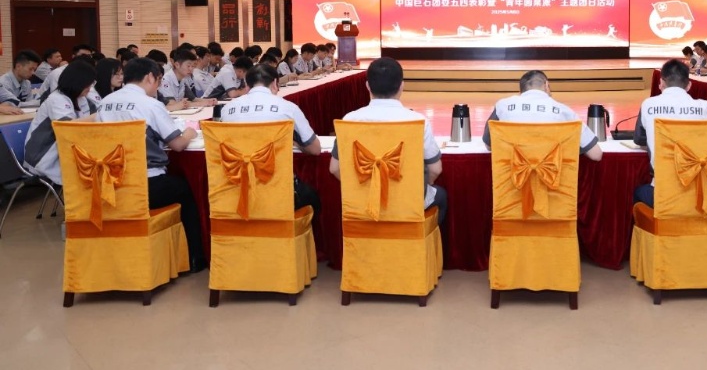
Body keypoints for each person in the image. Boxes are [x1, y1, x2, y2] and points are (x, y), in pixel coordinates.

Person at [95, 58, 206, 271]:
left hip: (111, 184)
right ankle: (194, 257)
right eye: (158, 80)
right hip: (147, 186)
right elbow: (177, 145)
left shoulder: (105, 103)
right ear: (149, 77)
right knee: (188, 189)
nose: (158, 86)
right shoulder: (150, 104)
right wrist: (189, 133)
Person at [329, 58, 448, 224]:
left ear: (368, 86)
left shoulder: (349, 120)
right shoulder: (418, 121)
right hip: (408, 203)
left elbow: (334, 168)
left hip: (363, 204)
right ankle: (417, 239)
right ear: (401, 86)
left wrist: (364, 188)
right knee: (440, 195)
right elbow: (435, 169)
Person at [219, 64, 322, 214]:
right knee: (313, 198)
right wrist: (296, 143)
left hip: (236, 185)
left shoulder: (227, 109)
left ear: (247, 84)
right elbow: (315, 149)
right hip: (277, 188)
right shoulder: (288, 108)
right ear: (275, 83)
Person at [632, 60, 707, 207]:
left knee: (638, 192)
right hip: (700, 194)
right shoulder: (704, 107)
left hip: (664, 193)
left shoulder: (648, 104)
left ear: (661, 82)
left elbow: (639, 139)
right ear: (689, 85)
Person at [483, 69, 603, 160]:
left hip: (512, 182)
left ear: (521, 91)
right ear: (546, 85)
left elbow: (489, 145)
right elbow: (596, 155)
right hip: (553, 183)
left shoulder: (502, 106)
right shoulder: (565, 112)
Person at [23, 60, 98, 186]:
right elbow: (67, 128)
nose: (90, 88)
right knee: (95, 171)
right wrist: (98, 115)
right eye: (88, 84)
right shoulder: (56, 99)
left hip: (67, 151)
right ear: (77, 82)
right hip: (44, 154)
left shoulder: (82, 99)